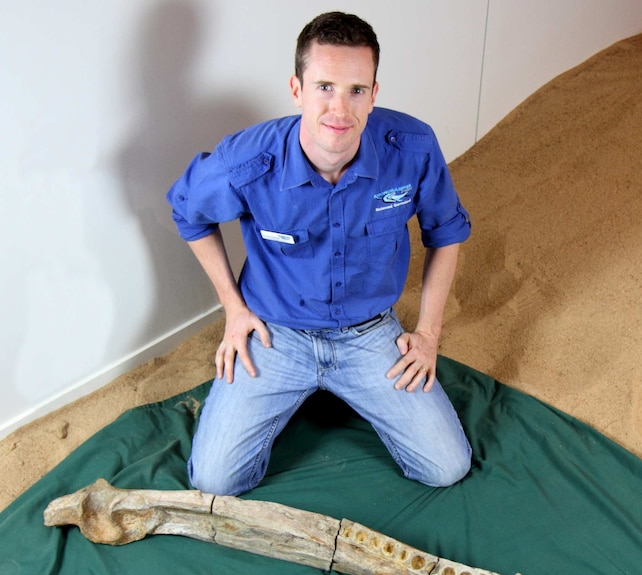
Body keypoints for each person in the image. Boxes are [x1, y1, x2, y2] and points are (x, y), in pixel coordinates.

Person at [167, 11, 472, 496]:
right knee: (215, 480)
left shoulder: (412, 148)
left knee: (446, 466)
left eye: (356, 90)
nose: (340, 109)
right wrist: (233, 309)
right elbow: (189, 213)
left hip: (368, 335)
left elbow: (447, 232)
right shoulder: (247, 161)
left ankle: (339, 389)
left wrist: (429, 333)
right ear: (297, 88)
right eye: (325, 86)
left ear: (374, 94)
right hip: (275, 333)